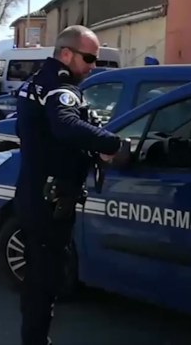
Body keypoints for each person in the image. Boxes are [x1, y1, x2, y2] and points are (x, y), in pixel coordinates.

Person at [14, 25, 122, 345]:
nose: (92, 65)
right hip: (49, 200)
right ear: (66, 54)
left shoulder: (38, 81)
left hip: (36, 192)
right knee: (44, 282)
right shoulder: (60, 87)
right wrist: (112, 143)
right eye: (88, 58)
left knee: (38, 279)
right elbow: (65, 124)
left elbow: (43, 133)